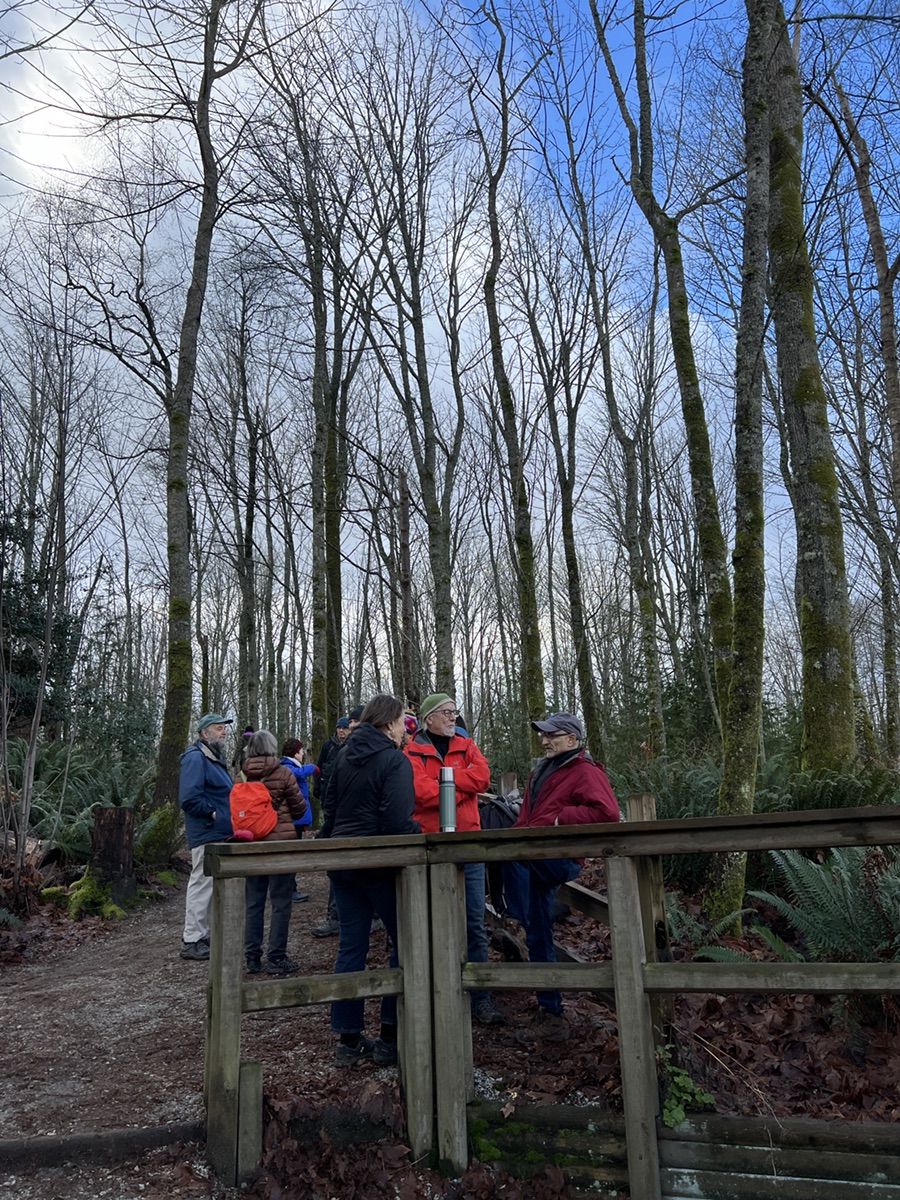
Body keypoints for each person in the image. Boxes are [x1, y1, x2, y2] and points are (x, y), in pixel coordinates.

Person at [502, 712, 620, 1045]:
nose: (544, 740)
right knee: (539, 934)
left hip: (561, 858)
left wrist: (560, 818)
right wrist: (516, 834)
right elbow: (527, 818)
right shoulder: (541, 770)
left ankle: (514, 923)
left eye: (551, 735)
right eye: (543, 735)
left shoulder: (584, 771)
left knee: (512, 859)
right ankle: (551, 1014)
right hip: (535, 855)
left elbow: (608, 813)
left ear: (572, 739)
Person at [321, 693, 420, 1067]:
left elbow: (329, 809)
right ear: (389, 723)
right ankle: (390, 1035)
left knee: (351, 946)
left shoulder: (343, 755)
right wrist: (418, 834)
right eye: (402, 722)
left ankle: (348, 1039)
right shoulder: (394, 761)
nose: (404, 729)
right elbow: (396, 821)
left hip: (343, 861)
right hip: (378, 864)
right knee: (402, 941)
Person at [406, 693, 503, 1027]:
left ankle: (481, 997)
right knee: (431, 922)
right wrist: (462, 786)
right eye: (447, 712)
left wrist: (445, 782)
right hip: (431, 848)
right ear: (429, 718)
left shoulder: (467, 744)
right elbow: (421, 794)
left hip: (469, 844)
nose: (453, 717)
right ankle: (436, 995)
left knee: (474, 922)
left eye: (454, 711)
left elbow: (482, 777)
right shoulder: (412, 751)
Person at [242, 729, 309, 974]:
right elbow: (300, 809)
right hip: (280, 845)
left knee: (254, 903)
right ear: (271, 747)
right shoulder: (284, 773)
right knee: (281, 902)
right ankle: (276, 957)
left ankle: (252, 958)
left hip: (252, 845)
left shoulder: (242, 775)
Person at [178, 713, 235, 961]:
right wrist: (214, 814)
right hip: (207, 831)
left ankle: (200, 935)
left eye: (224, 728)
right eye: (218, 728)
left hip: (217, 831)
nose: (224, 732)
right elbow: (189, 798)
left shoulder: (213, 757)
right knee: (201, 884)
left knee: (209, 886)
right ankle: (192, 940)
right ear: (204, 733)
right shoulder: (195, 758)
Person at [281, 737, 316, 902]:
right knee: (290, 855)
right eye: (301, 751)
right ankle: (289, 890)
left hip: (296, 818)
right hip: (292, 819)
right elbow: (297, 773)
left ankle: (290, 888)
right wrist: (312, 767)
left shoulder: (290, 766)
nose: (303, 754)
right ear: (295, 753)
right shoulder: (287, 767)